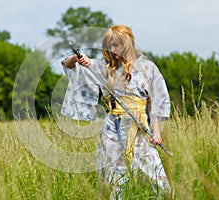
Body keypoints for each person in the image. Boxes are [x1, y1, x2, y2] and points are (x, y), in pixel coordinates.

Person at [61, 25, 172, 199]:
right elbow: (69, 66)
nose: (112, 50)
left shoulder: (148, 68)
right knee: (115, 177)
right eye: (109, 46)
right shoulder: (105, 68)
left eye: (117, 45)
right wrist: (75, 58)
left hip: (140, 126)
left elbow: (155, 103)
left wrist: (156, 133)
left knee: (156, 176)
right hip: (113, 128)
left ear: (128, 43)